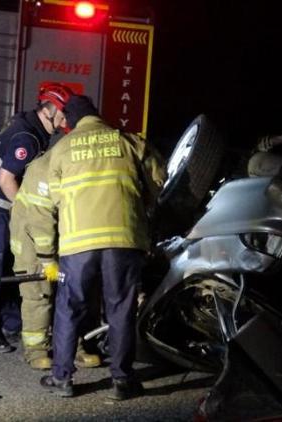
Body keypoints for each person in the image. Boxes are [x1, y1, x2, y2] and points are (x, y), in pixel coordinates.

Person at [36, 95, 166, 400]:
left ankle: (62, 378)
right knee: (120, 308)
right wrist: (141, 203)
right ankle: (122, 380)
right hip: (123, 238)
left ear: (71, 122)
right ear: (96, 115)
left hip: (78, 242)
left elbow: (55, 197)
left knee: (69, 308)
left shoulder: (62, 148)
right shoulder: (128, 141)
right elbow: (159, 178)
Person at [0, 83, 72, 352]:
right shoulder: (28, 137)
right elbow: (6, 179)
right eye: (64, 114)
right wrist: (24, 212)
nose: (67, 120)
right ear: (50, 111)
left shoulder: (28, 124)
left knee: (9, 268)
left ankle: (10, 322)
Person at [9, 148, 101, 370]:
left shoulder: (84, 165)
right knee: (39, 294)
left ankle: (72, 348)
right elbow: (40, 222)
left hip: (64, 237)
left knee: (72, 294)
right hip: (32, 241)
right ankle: (36, 351)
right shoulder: (43, 169)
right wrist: (47, 260)